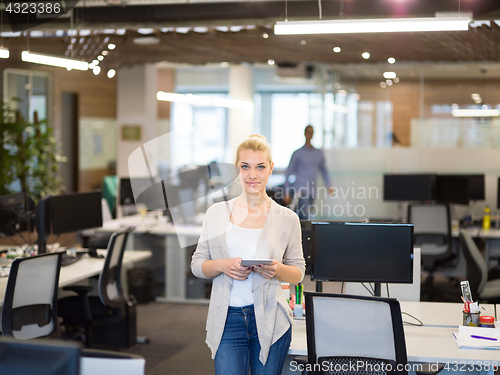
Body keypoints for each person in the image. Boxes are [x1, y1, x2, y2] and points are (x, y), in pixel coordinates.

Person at [191, 134, 306, 375]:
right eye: (245, 167)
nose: (252, 174)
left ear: (271, 168)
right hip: (227, 319)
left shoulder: (287, 219)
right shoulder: (216, 213)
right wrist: (222, 265)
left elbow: (297, 273)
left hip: (270, 318)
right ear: (237, 169)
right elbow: (197, 264)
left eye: (260, 167)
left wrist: (277, 269)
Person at [283, 125, 334, 220]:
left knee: (307, 215)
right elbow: (288, 172)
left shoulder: (318, 153)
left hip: (312, 190)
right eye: (308, 132)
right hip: (300, 190)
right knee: (305, 216)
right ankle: (303, 234)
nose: (309, 135)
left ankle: (303, 233)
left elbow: (324, 170)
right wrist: (286, 192)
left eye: (311, 133)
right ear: (305, 134)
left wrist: (329, 186)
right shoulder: (297, 153)